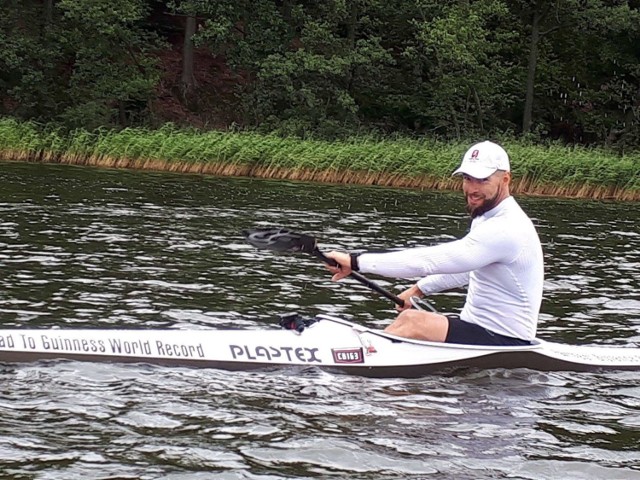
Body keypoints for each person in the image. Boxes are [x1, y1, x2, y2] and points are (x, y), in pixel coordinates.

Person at [325, 141, 544, 346]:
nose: (472, 188)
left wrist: (355, 261)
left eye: (482, 180)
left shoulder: (507, 227)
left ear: (506, 179)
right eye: (468, 179)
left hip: (507, 340)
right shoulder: (487, 216)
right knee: (412, 321)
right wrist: (418, 289)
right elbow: (465, 270)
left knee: (413, 321)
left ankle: (358, 357)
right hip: (479, 330)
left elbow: (430, 261)